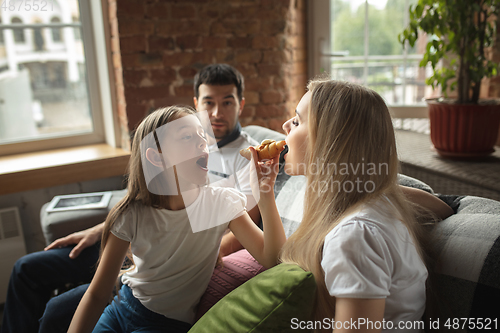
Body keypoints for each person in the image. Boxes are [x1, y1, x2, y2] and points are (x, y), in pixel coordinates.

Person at [0, 63, 260, 333]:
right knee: (26, 268)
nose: (217, 113)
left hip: (176, 253)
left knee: (56, 311)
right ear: (197, 104)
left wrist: (200, 253)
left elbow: (242, 229)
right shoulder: (184, 138)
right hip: (141, 236)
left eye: (227, 103)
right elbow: (148, 199)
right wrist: (102, 229)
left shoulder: (246, 155)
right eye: (209, 103)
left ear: (240, 104)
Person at [67, 105, 285, 332]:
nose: (202, 142)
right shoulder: (131, 213)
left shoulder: (221, 203)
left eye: (202, 135)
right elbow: (97, 293)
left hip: (165, 325)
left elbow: (274, 260)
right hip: (121, 307)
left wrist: (265, 194)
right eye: (187, 137)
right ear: (157, 157)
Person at [265, 79, 439, 332]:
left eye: (297, 121)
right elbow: (443, 207)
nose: (284, 126)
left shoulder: (354, 236)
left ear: (328, 140)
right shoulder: (377, 201)